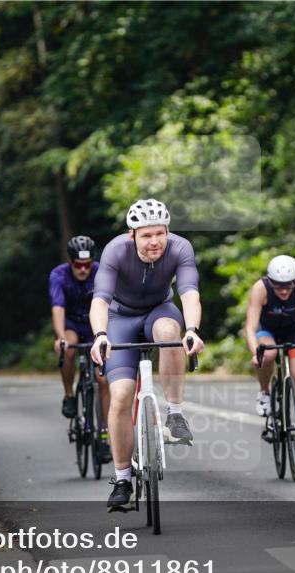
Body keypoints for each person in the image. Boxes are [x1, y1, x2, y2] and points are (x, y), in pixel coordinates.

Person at [88, 198, 204, 508]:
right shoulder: (115, 251)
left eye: (160, 233)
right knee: (121, 395)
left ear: (168, 231)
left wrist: (192, 329)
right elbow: (100, 300)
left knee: (169, 334)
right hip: (119, 319)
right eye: (146, 235)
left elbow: (189, 293)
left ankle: (175, 415)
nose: (155, 242)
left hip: (159, 311)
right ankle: (122, 479)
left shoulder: (180, 248)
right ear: (132, 235)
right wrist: (100, 335)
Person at [244, 255, 295, 463]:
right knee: (268, 353)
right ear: (270, 281)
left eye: (288, 286)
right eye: (278, 286)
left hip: (293, 331)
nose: (283, 291)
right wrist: (255, 353)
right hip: (266, 330)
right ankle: (265, 392)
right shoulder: (260, 289)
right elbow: (250, 327)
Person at [49, 235, 111, 462]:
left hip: (95, 324)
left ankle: (104, 436)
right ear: (70, 262)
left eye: (87, 265)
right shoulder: (58, 275)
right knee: (68, 348)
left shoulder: (101, 272)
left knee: (102, 379)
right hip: (72, 323)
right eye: (78, 265)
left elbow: (110, 303)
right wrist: (60, 337)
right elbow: (58, 307)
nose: (83, 270)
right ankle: (69, 395)